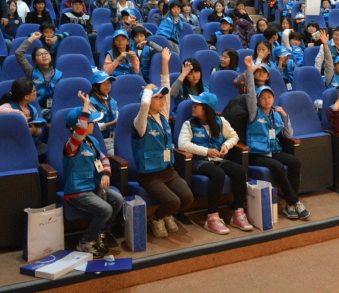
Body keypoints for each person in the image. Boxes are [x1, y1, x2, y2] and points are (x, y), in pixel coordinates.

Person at [133, 49, 193, 238]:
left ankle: (167, 214)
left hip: (168, 170)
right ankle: (157, 218)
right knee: (173, 201)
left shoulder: (163, 117)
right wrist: (148, 91)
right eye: (157, 98)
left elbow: (166, 85)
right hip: (150, 175)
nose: (161, 101)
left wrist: (165, 62)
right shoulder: (140, 122)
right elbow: (143, 107)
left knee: (188, 198)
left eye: (161, 98)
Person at [177, 92, 253, 234]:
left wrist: (226, 146)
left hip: (218, 158)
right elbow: (183, 145)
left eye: (197, 104)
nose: (193, 106)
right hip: (199, 161)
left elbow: (233, 136)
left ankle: (238, 213)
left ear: (207, 108)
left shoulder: (221, 121)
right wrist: (206, 151)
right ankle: (212, 217)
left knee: (239, 171)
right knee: (218, 174)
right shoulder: (189, 124)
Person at [244, 56, 309, 220]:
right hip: (257, 154)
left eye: (269, 97)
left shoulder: (276, 114)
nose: (266, 100)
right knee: (278, 166)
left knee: (296, 162)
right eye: (263, 97)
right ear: (258, 101)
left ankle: (289, 206)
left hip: (274, 150)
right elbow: (250, 94)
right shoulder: (254, 112)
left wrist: (285, 116)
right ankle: (294, 201)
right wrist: (250, 71)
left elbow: (288, 135)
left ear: (274, 99)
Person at [63, 93, 124, 258]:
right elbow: (80, 129)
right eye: (91, 122)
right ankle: (85, 242)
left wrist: (105, 174)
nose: (94, 124)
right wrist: (85, 106)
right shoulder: (72, 145)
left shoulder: (92, 141)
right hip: (78, 191)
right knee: (105, 209)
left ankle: (100, 233)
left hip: (93, 186)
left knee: (118, 199)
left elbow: (103, 158)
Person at [15, 32, 63, 120]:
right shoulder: (31, 71)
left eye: (46, 53)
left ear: (51, 56)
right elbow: (19, 53)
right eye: (39, 55)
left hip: (55, 108)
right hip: (36, 108)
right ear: (34, 61)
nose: (43, 56)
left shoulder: (60, 74)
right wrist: (32, 39)